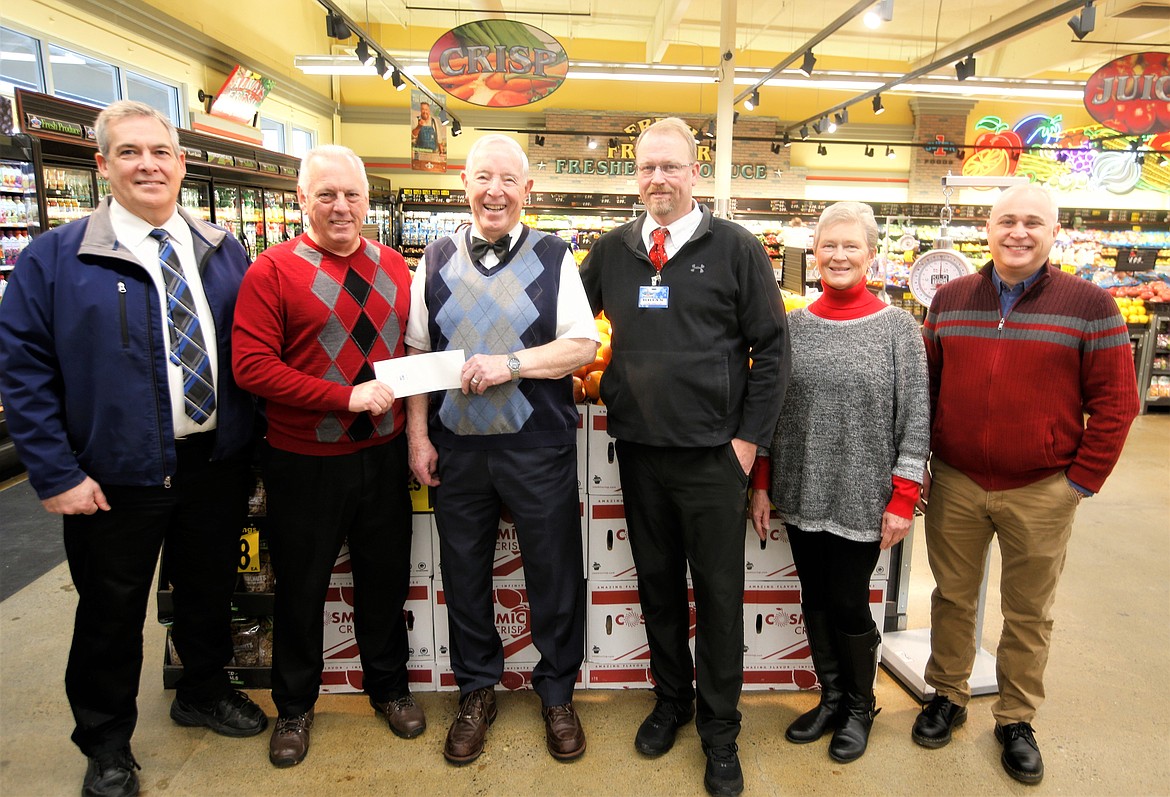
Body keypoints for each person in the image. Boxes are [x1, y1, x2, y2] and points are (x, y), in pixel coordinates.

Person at [0, 100, 265, 797]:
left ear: (180, 163)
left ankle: (202, 691)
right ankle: (106, 741)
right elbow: (24, 372)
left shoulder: (220, 246)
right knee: (109, 613)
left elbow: (253, 349)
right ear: (102, 165)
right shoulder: (55, 258)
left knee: (208, 592)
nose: (147, 163)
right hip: (112, 475)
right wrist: (55, 472)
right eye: (129, 152)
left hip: (213, 461)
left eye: (159, 151)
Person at [578, 117, 789, 797]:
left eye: (671, 167)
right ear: (634, 176)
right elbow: (563, 323)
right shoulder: (612, 252)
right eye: (647, 169)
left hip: (713, 462)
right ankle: (671, 700)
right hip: (639, 454)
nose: (658, 179)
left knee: (722, 598)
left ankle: (719, 730)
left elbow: (773, 350)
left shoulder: (735, 248)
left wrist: (746, 446)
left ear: (694, 173)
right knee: (658, 591)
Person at [912, 184, 1139, 784]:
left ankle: (1015, 718)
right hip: (957, 480)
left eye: (1032, 223)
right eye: (1006, 221)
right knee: (953, 597)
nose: (1018, 232)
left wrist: (1079, 482)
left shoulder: (1091, 305)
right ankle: (948, 695)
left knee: (1029, 612)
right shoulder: (951, 298)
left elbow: (1117, 403)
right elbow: (923, 391)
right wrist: (924, 463)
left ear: (1052, 232)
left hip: (1043, 487)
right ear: (986, 229)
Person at [405, 134, 598, 766]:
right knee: (464, 574)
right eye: (483, 177)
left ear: (526, 190)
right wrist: (417, 435)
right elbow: (415, 356)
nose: (495, 191)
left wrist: (510, 363)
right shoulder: (431, 260)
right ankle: (476, 691)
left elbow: (581, 347)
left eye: (508, 179)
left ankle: (557, 693)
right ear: (464, 182)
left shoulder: (553, 255)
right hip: (458, 448)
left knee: (553, 573)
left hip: (536, 444)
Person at [232, 145, 422, 768]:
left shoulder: (396, 266)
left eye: (352, 195)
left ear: (368, 200)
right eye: (325, 195)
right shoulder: (272, 271)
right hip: (304, 460)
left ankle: (389, 690)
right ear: (301, 199)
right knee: (302, 588)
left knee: (384, 580)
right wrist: (346, 396)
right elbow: (252, 367)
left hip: (385, 455)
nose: (341, 207)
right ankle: (294, 706)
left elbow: (415, 354)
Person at [748, 201, 929, 764]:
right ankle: (830, 696)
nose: (839, 255)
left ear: (872, 255)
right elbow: (771, 412)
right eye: (830, 245)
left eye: (852, 246)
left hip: (862, 495)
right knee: (815, 598)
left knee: (850, 603)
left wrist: (904, 497)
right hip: (801, 491)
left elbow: (916, 418)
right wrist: (761, 482)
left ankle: (859, 706)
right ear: (815, 253)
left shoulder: (899, 329)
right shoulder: (794, 326)